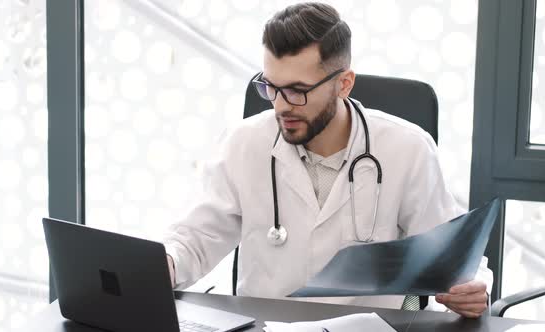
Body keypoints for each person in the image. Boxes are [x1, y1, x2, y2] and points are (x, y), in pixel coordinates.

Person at [163, 2, 492, 318]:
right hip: (268, 326)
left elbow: (452, 256)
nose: (280, 106)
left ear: (343, 84)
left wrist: (472, 288)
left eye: (297, 90)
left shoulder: (408, 149)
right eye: (271, 87)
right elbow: (195, 240)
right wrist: (168, 261)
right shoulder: (243, 143)